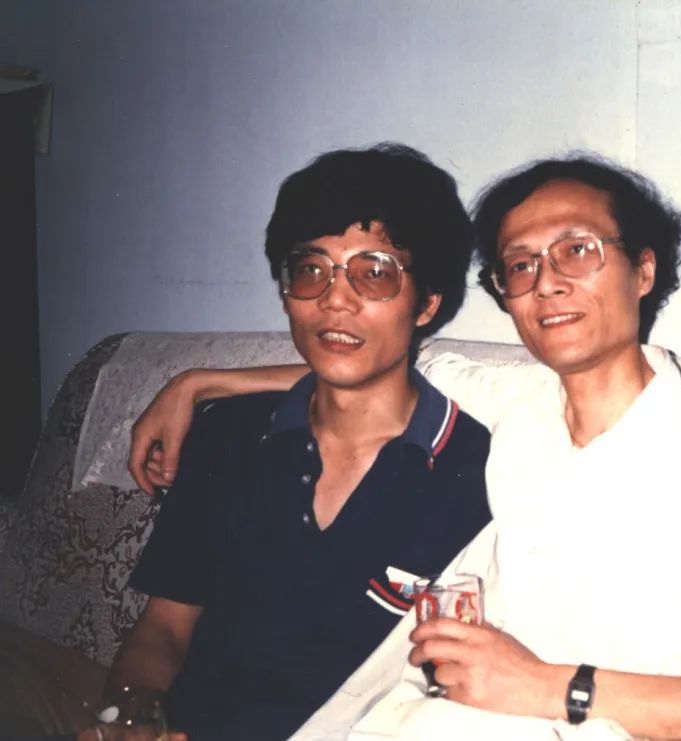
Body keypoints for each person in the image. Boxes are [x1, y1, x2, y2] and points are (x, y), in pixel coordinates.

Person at [129, 154, 681, 739]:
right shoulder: (520, 413)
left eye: (577, 250)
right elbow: (373, 364)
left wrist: (550, 686)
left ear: (643, 271)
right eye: (519, 265)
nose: (546, 281)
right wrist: (199, 383)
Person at [99, 145, 492, 740]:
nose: (334, 299)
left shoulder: (475, 468)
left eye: (375, 272)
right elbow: (165, 627)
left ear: (427, 304)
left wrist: (198, 381)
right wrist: (133, 716)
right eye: (311, 269)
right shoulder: (230, 435)